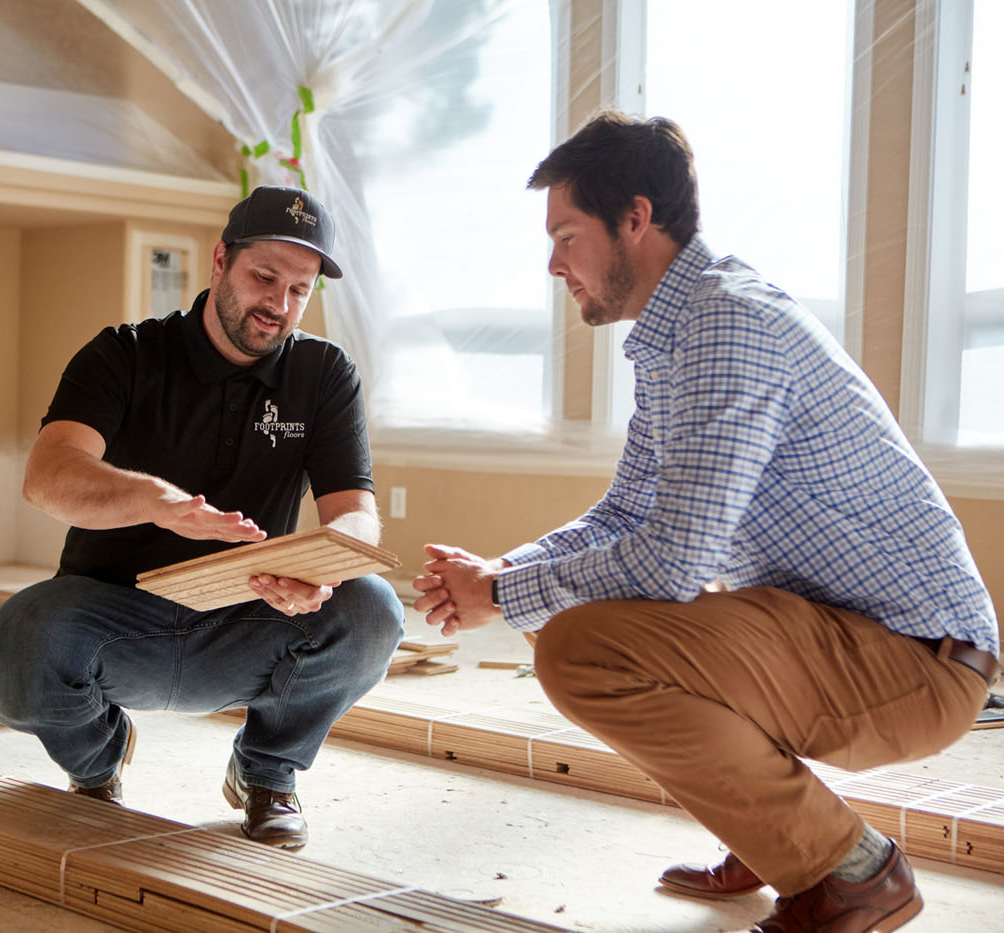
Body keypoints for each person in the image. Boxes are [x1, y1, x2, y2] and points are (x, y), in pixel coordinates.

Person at [412, 111, 998, 933]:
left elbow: (671, 562)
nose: (554, 264)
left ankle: (853, 871)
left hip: (918, 662)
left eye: (567, 235)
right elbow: (627, 512)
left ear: (636, 220)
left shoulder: (728, 323)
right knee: (573, 617)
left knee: (584, 643)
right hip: (844, 634)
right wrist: (500, 573)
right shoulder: (680, 332)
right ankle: (773, 833)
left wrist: (504, 594)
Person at [0, 185, 404, 850]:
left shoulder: (323, 374)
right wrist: (155, 501)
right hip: (114, 617)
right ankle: (99, 760)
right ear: (220, 260)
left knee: (372, 607)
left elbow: (356, 516)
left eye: (300, 289)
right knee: (14, 647)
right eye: (264, 277)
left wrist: (322, 570)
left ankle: (267, 774)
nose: (278, 305)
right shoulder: (125, 354)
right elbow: (48, 475)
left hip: (249, 613)